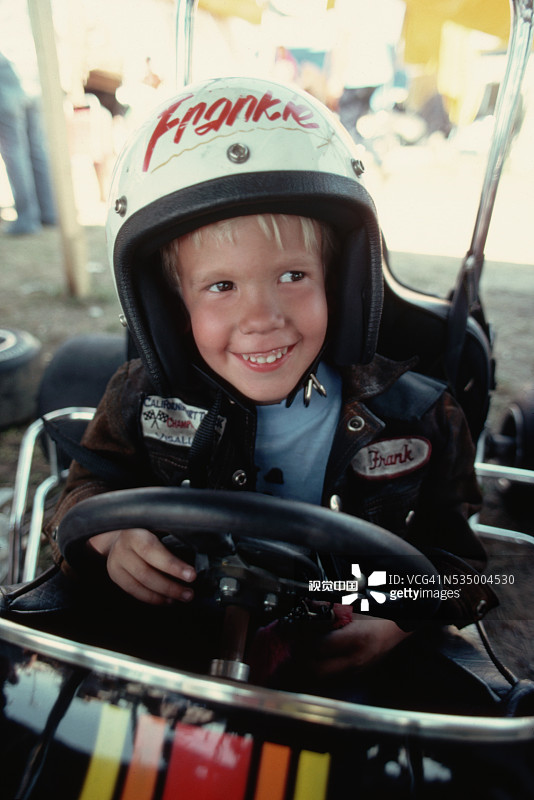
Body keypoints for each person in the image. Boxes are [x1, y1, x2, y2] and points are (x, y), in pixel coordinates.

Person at [42, 76, 496, 695]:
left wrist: (396, 618)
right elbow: (84, 491)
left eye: (291, 275)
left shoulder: (417, 416)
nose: (263, 319)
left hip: (344, 656)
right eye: (221, 286)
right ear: (173, 309)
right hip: (174, 644)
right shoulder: (144, 396)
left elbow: (461, 569)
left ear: (341, 286)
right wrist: (109, 537)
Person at [0, 2, 56, 235]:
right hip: (34, 71)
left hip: (8, 71)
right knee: (36, 148)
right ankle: (49, 213)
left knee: (14, 150)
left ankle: (27, 218)